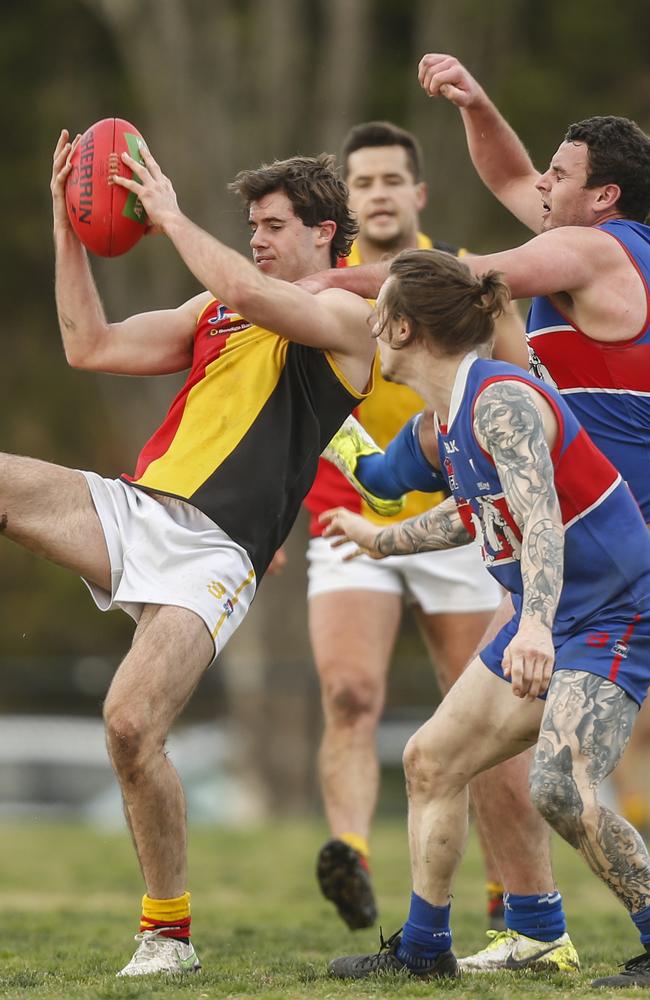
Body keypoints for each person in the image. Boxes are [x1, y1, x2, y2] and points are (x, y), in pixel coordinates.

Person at [307, 57, 650, 976]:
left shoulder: (590, 252)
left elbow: (456, 275)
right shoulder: (455, 410)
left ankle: (585, 929)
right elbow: (506, 180)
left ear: (604, 197)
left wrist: (314, 288)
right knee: (436, 758)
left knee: (559, 785)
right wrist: (477, 103)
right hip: (573, 552)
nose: (538, 185)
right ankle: (455, 945)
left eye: (562, 177)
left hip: (614, 567)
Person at [24, 133, 375, 978]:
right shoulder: (214, 311)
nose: (257, 236)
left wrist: (171, 217)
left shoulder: (348, 318)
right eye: (250, 222)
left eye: (275, 223)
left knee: (130, 726)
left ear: (325, 233)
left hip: (213, 554)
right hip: (134, 508)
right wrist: (68, 229)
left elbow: (252, 288)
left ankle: (167, 937)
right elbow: (90, 345)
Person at [303, 120, 535, 935]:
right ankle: (351, 854)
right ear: (346, 200)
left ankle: (514, 897)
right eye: (361, 183)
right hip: (353, 516)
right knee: (350, 693)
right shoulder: (325, 289)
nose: (377, 194)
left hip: (467, 523)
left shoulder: (456, 282)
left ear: (418, 193)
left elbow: (520, 381)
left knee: (482, 714)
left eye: (389, 180)